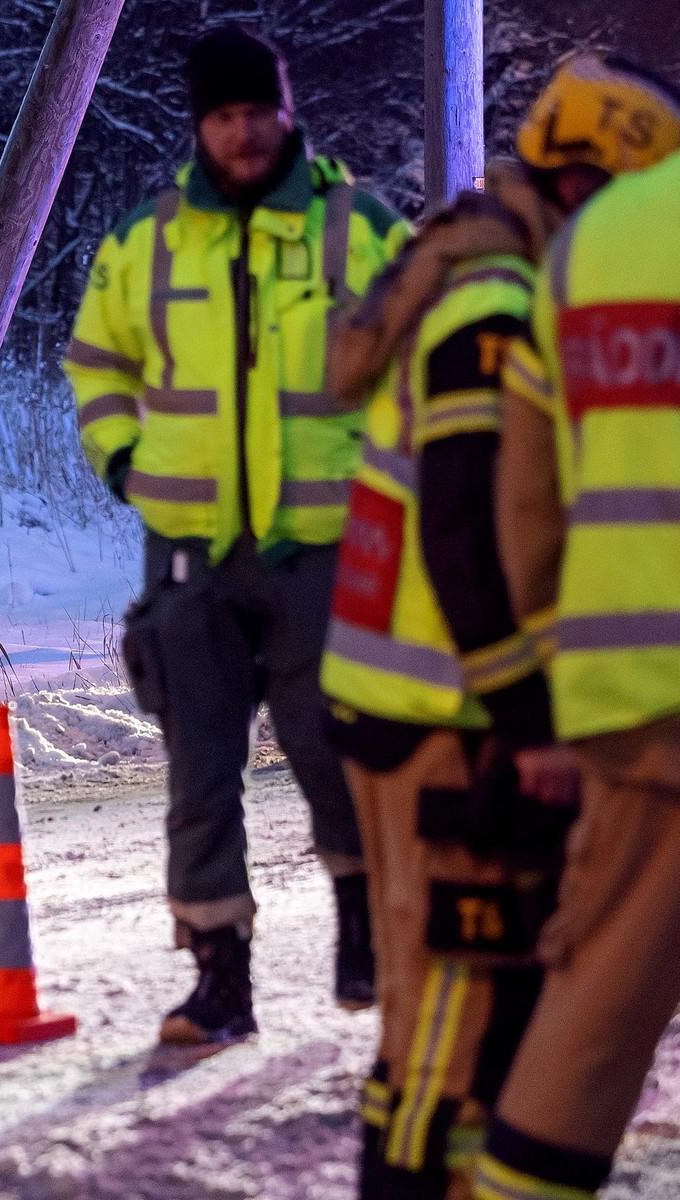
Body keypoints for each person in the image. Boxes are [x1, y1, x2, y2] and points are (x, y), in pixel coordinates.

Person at [317, 52, 680, 1200]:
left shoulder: (472, 264)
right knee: (450, 1035)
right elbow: (469, 527)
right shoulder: (500, 298)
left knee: (445, 1026)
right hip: (451, 709)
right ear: (601, 181)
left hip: (408, 697)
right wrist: (528, 717)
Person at [64, 25, 409, 1044]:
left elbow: (423, 361)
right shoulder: (150, 239)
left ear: (286, 112)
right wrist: (124, 461)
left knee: (333, 751)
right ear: (200, 126)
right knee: (198, 771)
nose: (244, 134)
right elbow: (96, 362)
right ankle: (220, 981)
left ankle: (363, 930)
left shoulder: (360, 230)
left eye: (258, 113)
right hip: (191, 554)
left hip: (326, 552)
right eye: (224, 117)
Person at [468, 62, 680, 1200]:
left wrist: (547, 690)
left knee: (595, 998)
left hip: (630, 693)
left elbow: (526, 507)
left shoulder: (583, 262)